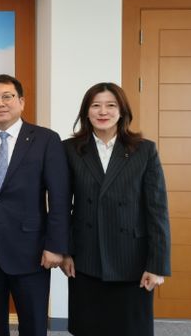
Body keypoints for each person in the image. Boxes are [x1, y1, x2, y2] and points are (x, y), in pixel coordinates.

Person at [0, 74, 70, 336]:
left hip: (31, 249)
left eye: (7, 97)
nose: (0, 103)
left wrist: (56, 246)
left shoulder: (45, 139)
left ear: (21, 101)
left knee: (33, 324)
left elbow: (60, 197)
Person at [61, 82, 171, 336]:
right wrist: (65, 251)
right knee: (89, 328)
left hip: (132, 259)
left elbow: (157, 210)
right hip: (86, 257)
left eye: (111, 105)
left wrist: (157, 264)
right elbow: (62, 205)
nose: (103, 111)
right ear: (86, 112)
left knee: (130, 329)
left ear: (122, 111)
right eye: (96, 105)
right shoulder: (70, 149)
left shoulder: (144, 150)